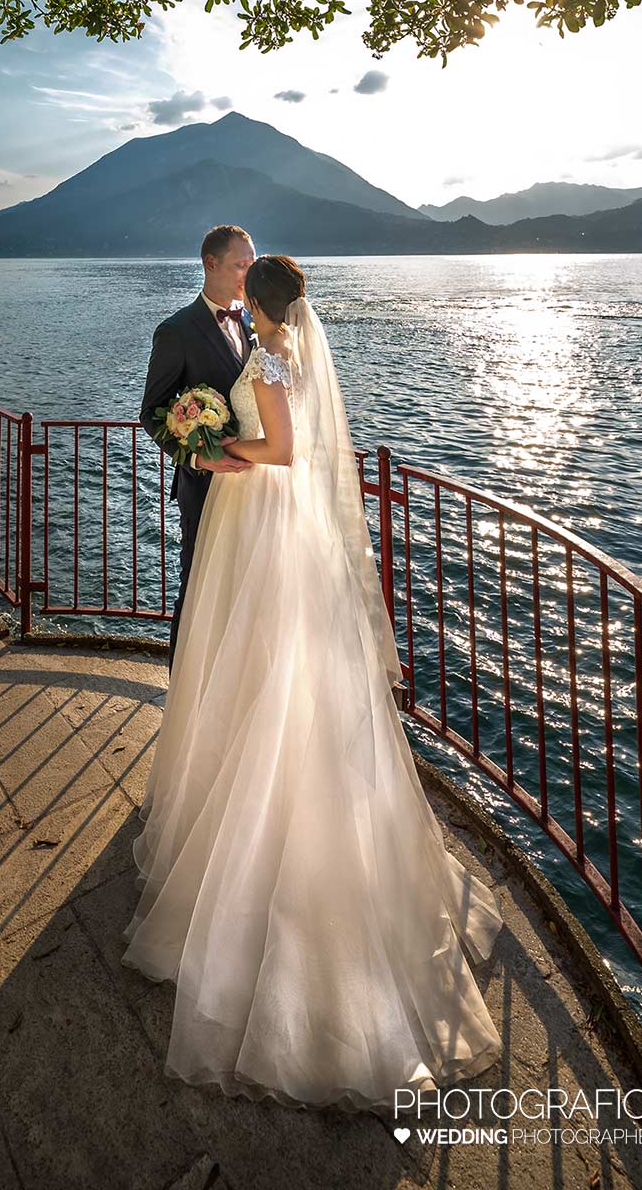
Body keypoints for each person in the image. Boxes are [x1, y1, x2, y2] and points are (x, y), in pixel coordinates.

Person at [123, 254, 503, 1111]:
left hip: (257, 509)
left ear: (255, 302)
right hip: (253, 520)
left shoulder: (272, 355)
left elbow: (284, 452)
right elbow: (262, 437)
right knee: (254, 656)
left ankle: (253, 821)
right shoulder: (272, 346)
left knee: (263, 659)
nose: (243, 281)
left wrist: (221, 445)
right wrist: (201, 440)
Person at [139, 225, 256, 663]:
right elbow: (151, 412)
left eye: (251, 263)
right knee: (198, 587)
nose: (248, 273)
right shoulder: (177, 331)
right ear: (211, 264)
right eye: (240, 264)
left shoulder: (251, 321)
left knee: (243, 590)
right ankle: (183, 693)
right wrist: (202, 456)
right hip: (204, 488)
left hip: (252, 487)